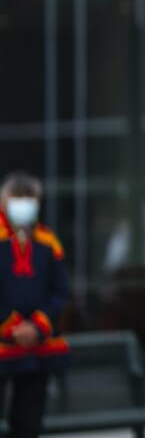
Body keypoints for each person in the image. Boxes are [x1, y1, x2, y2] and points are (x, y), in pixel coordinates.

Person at [0, 172, 70, 438]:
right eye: (17, 199)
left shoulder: (48, 242)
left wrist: (38, 326)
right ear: (4, 202)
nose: (23, 206)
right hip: (4, 343)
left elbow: (60, 291)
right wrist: (13, 326)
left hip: (36, 352)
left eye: (29, 200)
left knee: (28, 423)